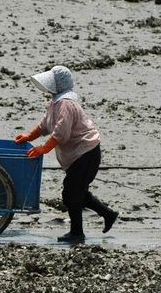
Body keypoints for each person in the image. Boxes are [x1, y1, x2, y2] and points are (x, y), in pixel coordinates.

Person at [14, 65, 118, 243]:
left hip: (86, 152)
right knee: (76, 191)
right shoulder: (55, 102)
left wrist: (43, 149)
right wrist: (29, 136)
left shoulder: (66, 104)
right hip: (80, 155)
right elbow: (45, 125)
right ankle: (107, 213)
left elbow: (61, 133)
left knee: (71, 193)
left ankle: (77, 232)